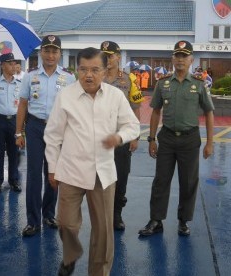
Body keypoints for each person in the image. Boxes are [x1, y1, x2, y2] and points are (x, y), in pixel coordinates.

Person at [44, 47, 139, 276]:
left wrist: (119, 137)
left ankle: (99, 272)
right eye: (84, 69)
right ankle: (71, 254)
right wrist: (52, 168)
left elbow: (132, 125)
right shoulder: (65, 96)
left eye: (95, 70)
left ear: (105, 72)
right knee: (66, 223)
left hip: (103, 172)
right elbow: (53, 135)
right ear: (77, 71)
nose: (89, 75)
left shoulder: (115, 96)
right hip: (71, 170)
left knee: (104, 233)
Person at [138, 40, 214, 237]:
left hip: (190, 140)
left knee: (188, 182)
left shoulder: (198, 85)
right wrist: (152, 139)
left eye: (184, 56)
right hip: (167, 139)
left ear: (191, 60)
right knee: (161, 180)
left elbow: (209, 112)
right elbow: (155, 112)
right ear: (172, 59)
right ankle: (156, 219)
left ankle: (183, 220)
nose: (180, 60)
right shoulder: (163, 83)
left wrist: (210, 143)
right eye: (177, 56)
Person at [15, 35, 76, 237]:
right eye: (47, 51)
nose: (50, 55)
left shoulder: (69, 78)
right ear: (41, 53)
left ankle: (49, 214)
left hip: (58, 129)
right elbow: (23, 104)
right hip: (34, 127)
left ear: (60, 54)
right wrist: (18, 132)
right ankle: (33, 221)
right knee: (33, 175)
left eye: (54, 51)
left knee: (54, 173)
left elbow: (74, 108)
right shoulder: (29, 76)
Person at [100, 41, 143, 231]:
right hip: (99, 137)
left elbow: (136, 109)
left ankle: (116, 214)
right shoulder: (96, 77)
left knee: (120, 176)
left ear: (118, 56)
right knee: (100, 177)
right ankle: (102, 214)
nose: (107, 59)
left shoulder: (129, 80)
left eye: (110, 55)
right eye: (104, 55)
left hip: (121, 137)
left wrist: (135, 136)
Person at [0, 52, 22, 193]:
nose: (13, 66)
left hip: (14, 120)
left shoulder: (20, 83)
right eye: (10, 64)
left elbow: (23, 103)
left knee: (14, 152)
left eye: (14, 63)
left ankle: (14, 181)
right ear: (2, 65)